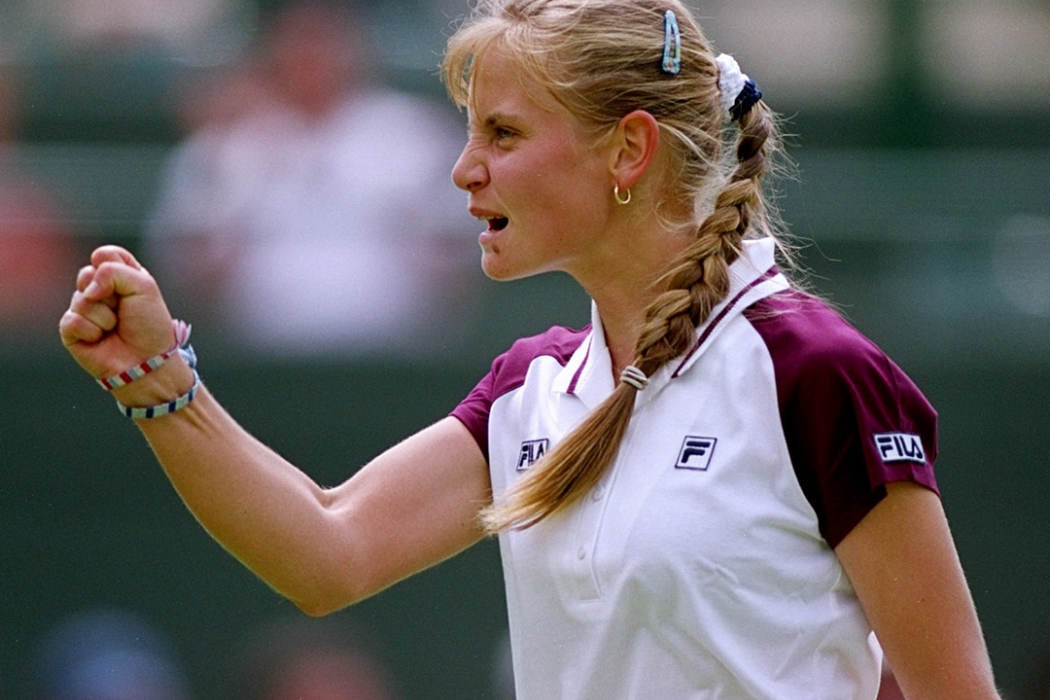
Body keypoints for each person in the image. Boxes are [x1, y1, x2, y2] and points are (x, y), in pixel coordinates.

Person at [59, 0, 1002, 698]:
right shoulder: (532, 388)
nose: (464, 170)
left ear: (627, 151)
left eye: (503, 134)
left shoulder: (813, 372)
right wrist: (161, 383)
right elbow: (326, 548)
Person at [144, 0, 479, 357]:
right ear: (273, 48)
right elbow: (183, 268)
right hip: (253, 363)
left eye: (325, 38)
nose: (312, 54)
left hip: (394, 361)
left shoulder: (415, 133)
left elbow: (462, 253)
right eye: (299, 38)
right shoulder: (226, 140)